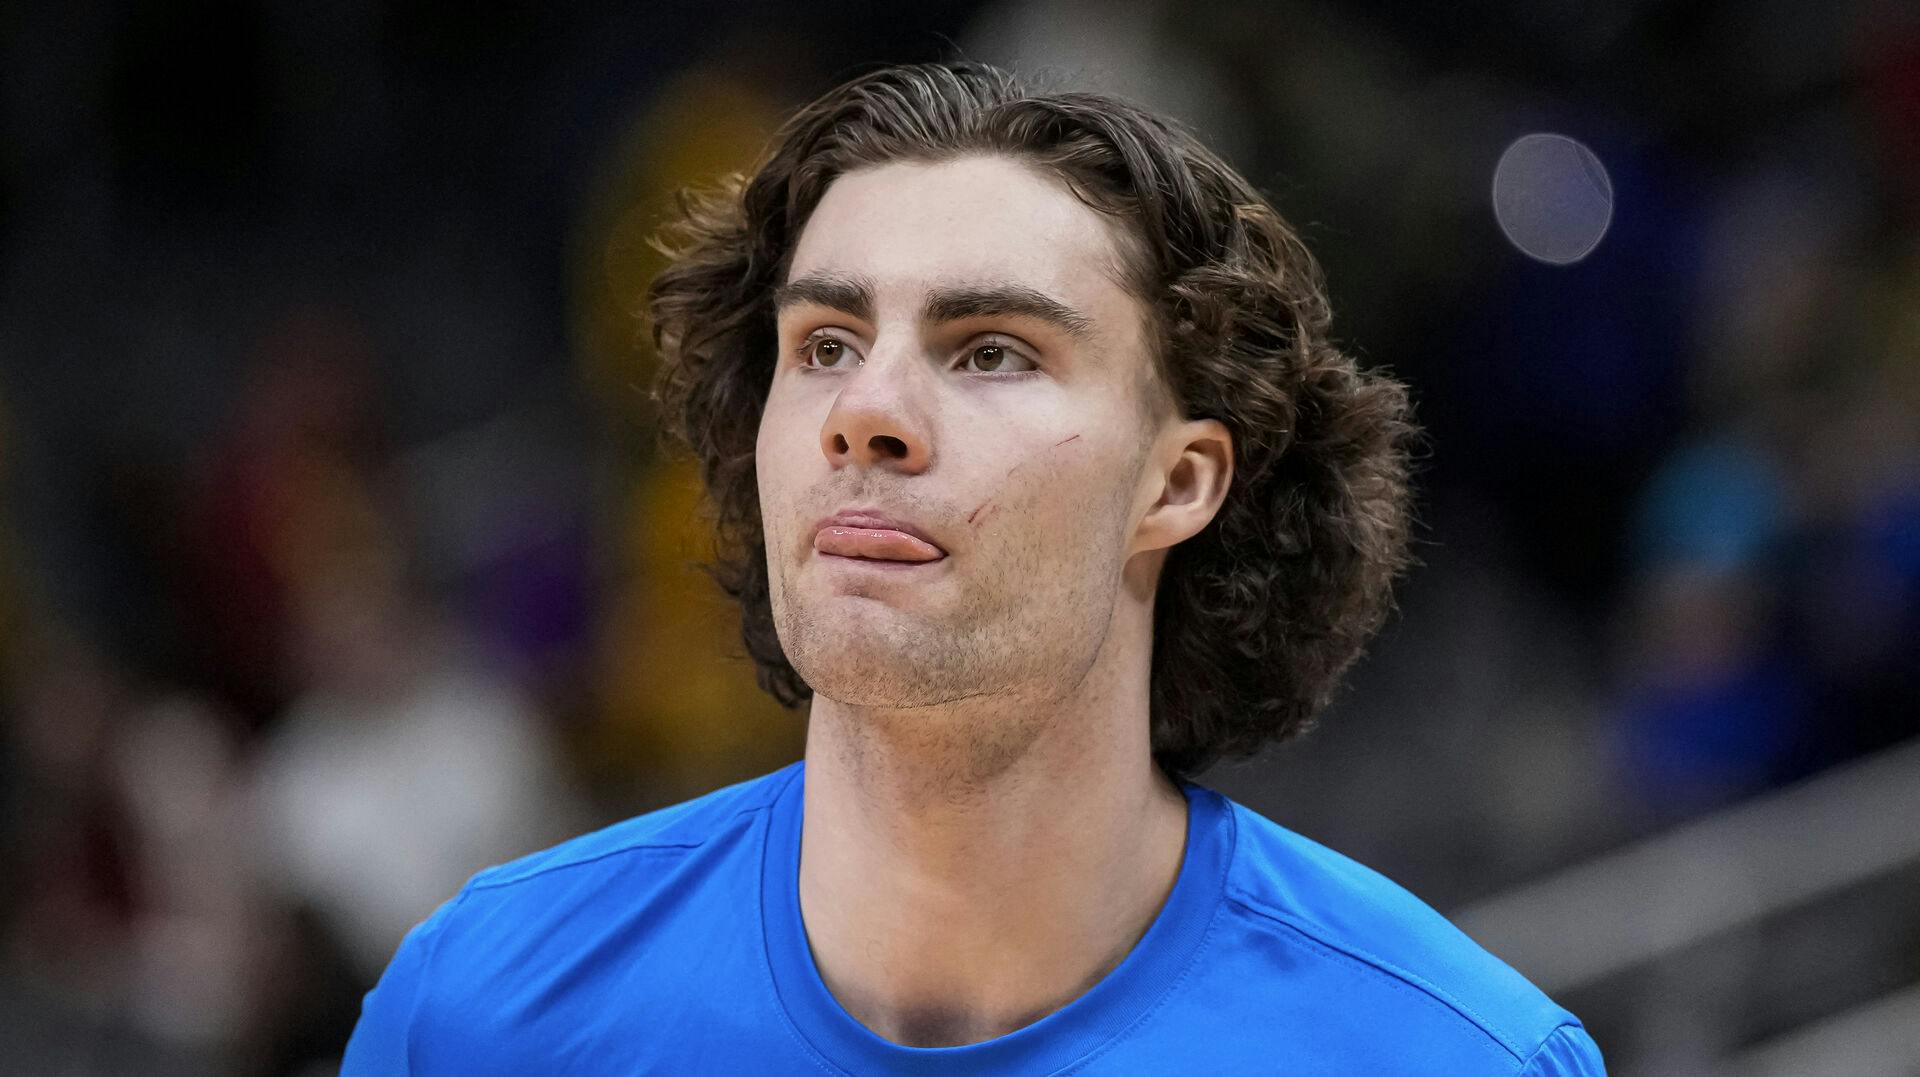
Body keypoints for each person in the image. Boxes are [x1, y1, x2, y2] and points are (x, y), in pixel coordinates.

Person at [342, 60, 1606, 1074]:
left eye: (991, 350)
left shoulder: (1449, 1054)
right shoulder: (483, 1011)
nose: (865, 410)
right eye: (826, 344)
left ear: (1178, 483)